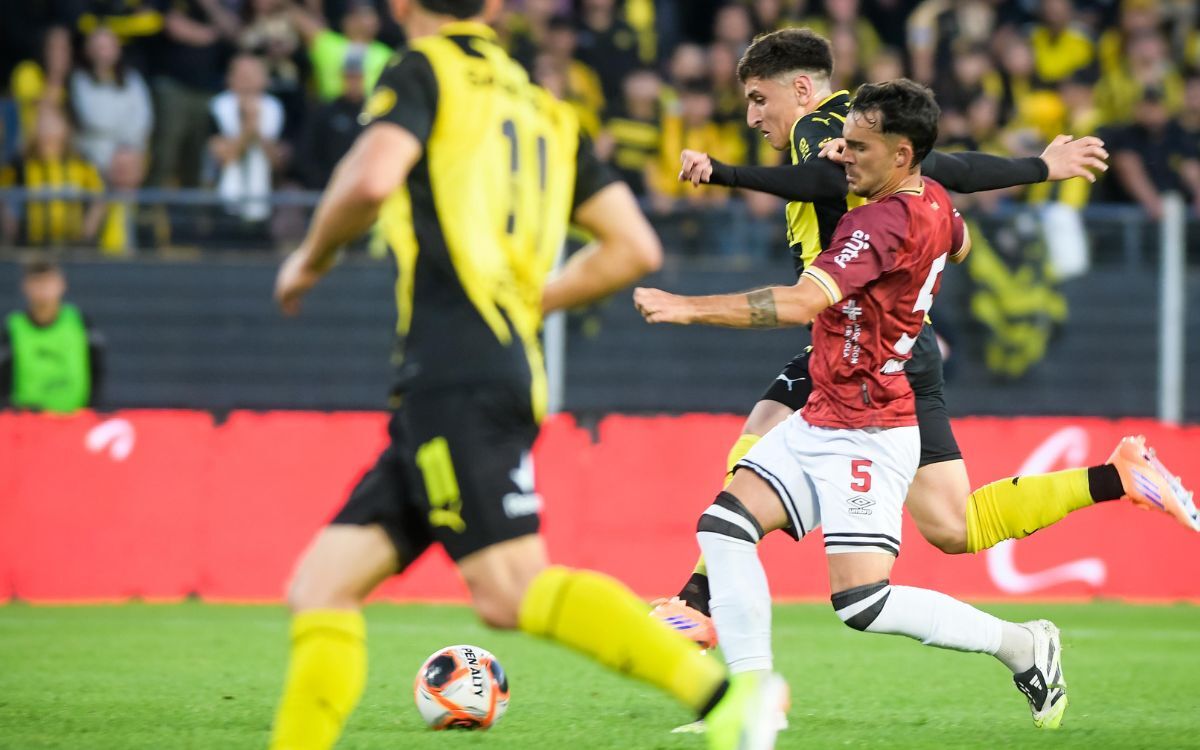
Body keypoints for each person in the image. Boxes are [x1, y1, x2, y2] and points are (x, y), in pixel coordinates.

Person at [267, 2, 785, 749]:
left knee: (510, 589)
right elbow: (633, 247)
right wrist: (523, 300)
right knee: (322, 587)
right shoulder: (550, 111)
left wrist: (308, 259)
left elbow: (374, 176)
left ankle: (726, 701)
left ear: (404, 8)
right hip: (496, 364)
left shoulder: (425, 69)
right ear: (496, 9)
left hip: (454, 370)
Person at [648, 28, 1196, 654]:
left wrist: (725, 173)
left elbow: (823, 186)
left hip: (869, 349)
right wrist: (1040, 168)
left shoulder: (826, 134)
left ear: (800, 88)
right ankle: (1115, 479)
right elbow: (953, 170)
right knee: (954, 525)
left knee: (764, 440)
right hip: (894, 345)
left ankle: (696, 602)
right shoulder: (881, 133)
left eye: (757, 99)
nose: (752, 116)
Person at [634, 79, 1072, 730]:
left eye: (857, 147)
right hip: (827, 407)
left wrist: (686, 307)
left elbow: (798, 303)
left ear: (899, 155)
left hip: (869, 427)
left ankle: (1023, 644)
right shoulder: (932, 199)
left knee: (862, 602)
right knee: (723, 527)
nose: (839, 156)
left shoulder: (880, 223)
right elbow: (957, 236)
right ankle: (750, 700)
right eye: (841, 140)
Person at [0, 258, 105, 413]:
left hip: (74, 421)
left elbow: (97, 368)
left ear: (62, 284)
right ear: (25, 287)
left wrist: (91, 409)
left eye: (48, 282)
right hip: (28, 424)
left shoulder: (79, 322)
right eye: (37, 282)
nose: (43, 289)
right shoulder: (13, 328)